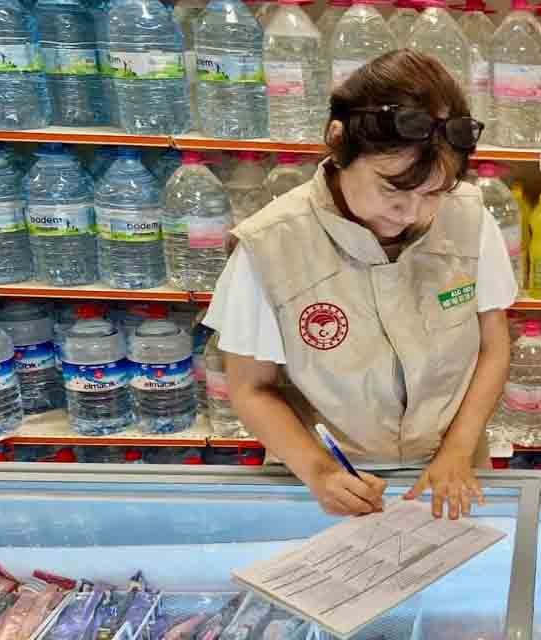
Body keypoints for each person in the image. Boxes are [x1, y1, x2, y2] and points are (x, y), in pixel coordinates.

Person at [203, 50, 516, 521]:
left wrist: (458, 449)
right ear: (338, 143)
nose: (411, 213)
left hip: (451, 472)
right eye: (392, 189)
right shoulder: (271, 245)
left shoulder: (469, 219)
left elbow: (493, 346)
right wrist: (319, 472)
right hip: (330, 481)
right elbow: (251, 388)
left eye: (432, 192)